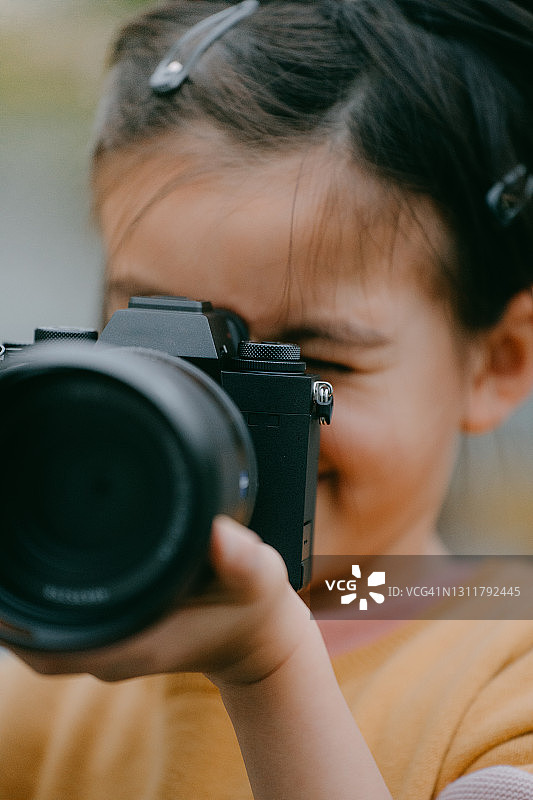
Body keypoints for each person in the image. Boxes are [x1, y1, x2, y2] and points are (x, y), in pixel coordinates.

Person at [1, 1, 533, 798]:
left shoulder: (504, 681)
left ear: (497, 362)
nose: (207, 418)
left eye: (310, 357)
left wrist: (267, 669)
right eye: (155, 341)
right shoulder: (47, 658)